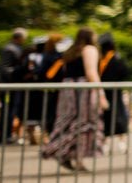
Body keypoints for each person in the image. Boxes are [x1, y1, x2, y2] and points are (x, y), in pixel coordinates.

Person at [41, 27, 106, 170]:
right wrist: (101, 94)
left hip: (69, 89)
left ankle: (65, 153)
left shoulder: (71, 51)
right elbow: (91, 73)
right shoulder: (89, 49)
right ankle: (73, 157)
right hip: (83, 89)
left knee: (69, 122)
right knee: (84, 123)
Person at [97, 33, 130, 152]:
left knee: (116, 117)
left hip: (113, 93)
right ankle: (111, 143)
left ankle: (120, 142)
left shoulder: (112, 58)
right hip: (108, 93)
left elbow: (124, 72)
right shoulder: (108, 58)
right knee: (111, 117)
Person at [0, 27, 27, 144]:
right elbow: (6, 68)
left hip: (13, 84)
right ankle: (4, 136)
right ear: (19, 37)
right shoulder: (10, 49)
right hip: (9, 85)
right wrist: (18, 72)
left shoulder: (16, 48)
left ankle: (7, 135)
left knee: (11, 111)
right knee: (7, 111)